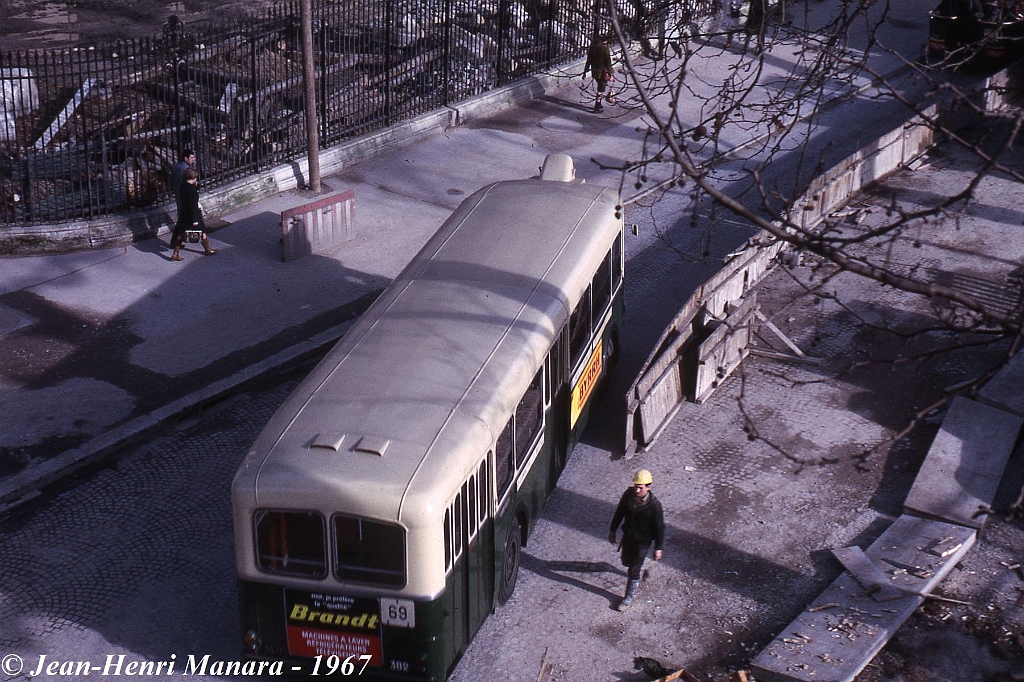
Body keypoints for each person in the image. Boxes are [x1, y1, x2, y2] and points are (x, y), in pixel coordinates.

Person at [608, 469, 665, 611]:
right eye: (636, 486)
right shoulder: (628, 495)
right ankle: (649, 564)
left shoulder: (654, 506)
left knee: (633, 570)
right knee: (626, 562)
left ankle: (627, 599)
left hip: (643, 542)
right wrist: (612, 530)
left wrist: (658, 547)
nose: (637, 490)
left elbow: (660, 528)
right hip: (628, 536)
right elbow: (619, 512)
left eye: (641, 487)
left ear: (648, 487)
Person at [170, 167, 217, 261]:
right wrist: (195, 219)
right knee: (202, 231)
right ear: (193, 177)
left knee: (180, 233)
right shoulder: (192, 190)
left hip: (184, 213)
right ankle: (207, 249)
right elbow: (193, 205)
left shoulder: (183, 186)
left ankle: (175, 253)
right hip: (192, 214)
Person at [583, 34, 615, 113]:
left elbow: (588, 60)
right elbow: (608, 62)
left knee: (600, 87)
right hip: (603, 72)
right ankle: (597, 104)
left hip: (594, 71)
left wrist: (585, 71)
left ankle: (598, 104)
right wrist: (611, 73)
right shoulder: (605, 49)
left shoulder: (592, 48)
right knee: (601, 89)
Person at [169, 148, 195, 214]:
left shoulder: (176, 166)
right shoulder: (187, 169)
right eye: (191, 157)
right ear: (186, 158)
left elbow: (171, 179)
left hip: (178, 192)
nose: (193, 159)